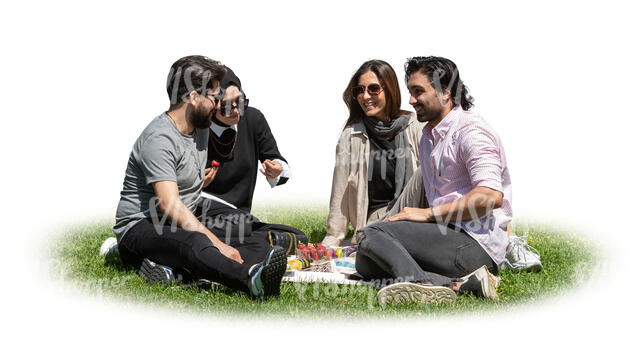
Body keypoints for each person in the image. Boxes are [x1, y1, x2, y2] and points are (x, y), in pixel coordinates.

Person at [112, 55, 286, 299]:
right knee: (196, 242)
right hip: (141, 225)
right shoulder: (159, 140)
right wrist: (218, 243)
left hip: (184, 212)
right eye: (214, 97)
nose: (217, 104)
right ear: (194, 98)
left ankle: (172, 270)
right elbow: (171, 206)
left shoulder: (199, 127)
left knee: (241, 224)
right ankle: (250, 278)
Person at [355, 56, 512, 306]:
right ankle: (461, 285)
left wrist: (429, 214)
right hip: (446, 238)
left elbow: (490, 196)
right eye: (410, 92)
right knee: (365, 261)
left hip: (473, 243)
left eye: (418, 92)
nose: (411, 100)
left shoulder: (471, 131)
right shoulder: (429, 135)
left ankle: (419, 285)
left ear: (445, 92)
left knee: (373, 234)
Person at [322, 60, 425, 247]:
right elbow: (340, 191)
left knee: (422, 174)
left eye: (373, 89)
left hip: (415, 214)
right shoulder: (351, 136)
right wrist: (333, 237)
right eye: (359, 90)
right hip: (377, 220)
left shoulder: (415, 126)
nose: (365, 96)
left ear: (390, 89)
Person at [202, 66, 291, 213]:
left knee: (291, 235)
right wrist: (193, 183)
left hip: (238, 215)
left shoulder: (253, 119)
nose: (236, 111)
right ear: (211, 105)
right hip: (198, 210)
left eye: (241, 103)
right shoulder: (196, 125)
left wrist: (276, 169)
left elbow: (273, 158)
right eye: (228, 107)